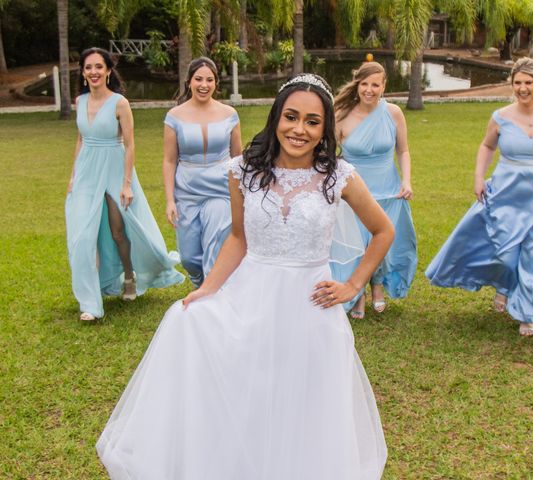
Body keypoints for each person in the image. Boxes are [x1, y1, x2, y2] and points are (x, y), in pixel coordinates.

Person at [96, 74, 393, 479]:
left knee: (304, 400)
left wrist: (353, 285)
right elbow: (238, 238)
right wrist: (207, 289)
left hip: (311, 309)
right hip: (253, 297)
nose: (298, 129)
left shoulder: (337, 176)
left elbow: (383, 230)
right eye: (291, 117)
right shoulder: (244, 172)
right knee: (240, 379)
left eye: (311, 121)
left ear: (324, 129)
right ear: (276, 118)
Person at [426, 57, 533, 337]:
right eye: (517, 83)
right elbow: (487, 146)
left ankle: (527, 312)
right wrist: (478, 176)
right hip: (508, 192)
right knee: (506, 254)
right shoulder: (501, 116)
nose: (522, 88)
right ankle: (505, 287)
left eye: (528, 83)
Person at [65, 47, 184, 321]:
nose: (93, 72)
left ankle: (129, 275)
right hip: (85, 173)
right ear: (83, 73)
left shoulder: (120, 103)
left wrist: (126, 183)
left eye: (98, 67)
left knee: (119, 231)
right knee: (81, 238)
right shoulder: (80, 101)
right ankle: (90, 304)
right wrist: (73, 175)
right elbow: (81, 139)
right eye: (88, 67)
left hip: (114, 169)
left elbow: (130, 144)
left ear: (108, 70)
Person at [332, 61, 417, 319]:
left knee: (384, 243)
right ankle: (359, 294)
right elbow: (328, 155)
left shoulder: (393, 113)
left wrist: (407, 181)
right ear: (357, 84)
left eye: (375, 84)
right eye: (365, 84)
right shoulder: (340, 115)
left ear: (384, 86)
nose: (369, 90)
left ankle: (377, 287)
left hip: (388, 190)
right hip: (354, 193)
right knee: (358, 244)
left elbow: (403, 150)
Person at [163, 57, 242, 287]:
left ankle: (212, 292)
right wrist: (170, 200)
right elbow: (169, 161)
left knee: (215, 246)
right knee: (189, 257)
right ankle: (200, 283)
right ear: (189, 82)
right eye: (198, 79)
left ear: (216, 83)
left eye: (209, 80)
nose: (204, 85)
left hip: (221, 188)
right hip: (187, 190)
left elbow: (238, 157)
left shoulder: (229, 114)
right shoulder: (174, 116)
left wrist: (242, 193)